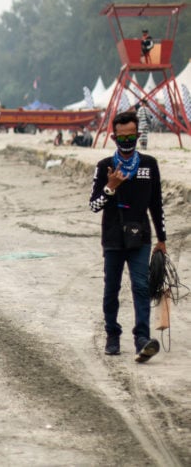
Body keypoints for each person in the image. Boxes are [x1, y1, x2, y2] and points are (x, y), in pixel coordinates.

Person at [89, 111, 166, 362]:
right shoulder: (104, 167)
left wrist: (162, 240)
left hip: (141, 236)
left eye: (131, 135)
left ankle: (142, 338)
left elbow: (156, 205)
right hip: (112, 237)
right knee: (111, 288)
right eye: (122, 136)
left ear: (138, 134)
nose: (127, 140)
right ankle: (112, 335)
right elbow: (94, 205)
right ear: (113, 137)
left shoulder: (149, 165)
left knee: (141, 287)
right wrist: (110, 187)